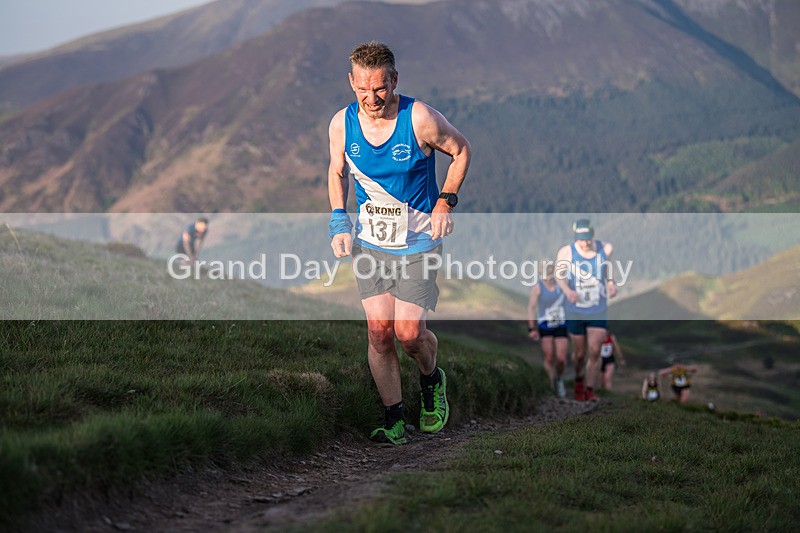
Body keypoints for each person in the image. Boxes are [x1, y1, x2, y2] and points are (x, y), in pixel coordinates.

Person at [327, 41, 471, 445]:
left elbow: (461, 151)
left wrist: (446, 202)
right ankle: (393, 417)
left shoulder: (419, 117)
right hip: (371, 243)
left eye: (380, 88)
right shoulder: (341, 123)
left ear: (394, 80)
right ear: (351, 82)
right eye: (362, 90)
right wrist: (339, 218)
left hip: (418, 242)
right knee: (379, 333)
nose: (371, 98)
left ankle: (431, 381)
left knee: (408, 333)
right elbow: (336, 171)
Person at [555, 218, 616, 402]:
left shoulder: (605, 249)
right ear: (576, 237)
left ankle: (590, 390)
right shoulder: (566, 252)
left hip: (598, 309)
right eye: (581, 239)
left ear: (593, 235)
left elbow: (607, 268)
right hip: (575, 310)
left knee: (595, 350)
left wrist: (612, 283)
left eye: (588, 238)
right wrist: (567, 291)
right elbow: (559, 276)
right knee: (580, 354)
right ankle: (579, 379)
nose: (586, 242)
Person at [527, 263, 568, 398]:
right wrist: (532, 328)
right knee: (549, 357)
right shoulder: (537, 288)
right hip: (545, 324)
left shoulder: (562, 284)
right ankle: (550, 386)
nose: (549, 277)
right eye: (546, 274)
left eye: (551, 274)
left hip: (561, 323)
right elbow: (531, 308)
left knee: (561, 358)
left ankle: (560, 379)